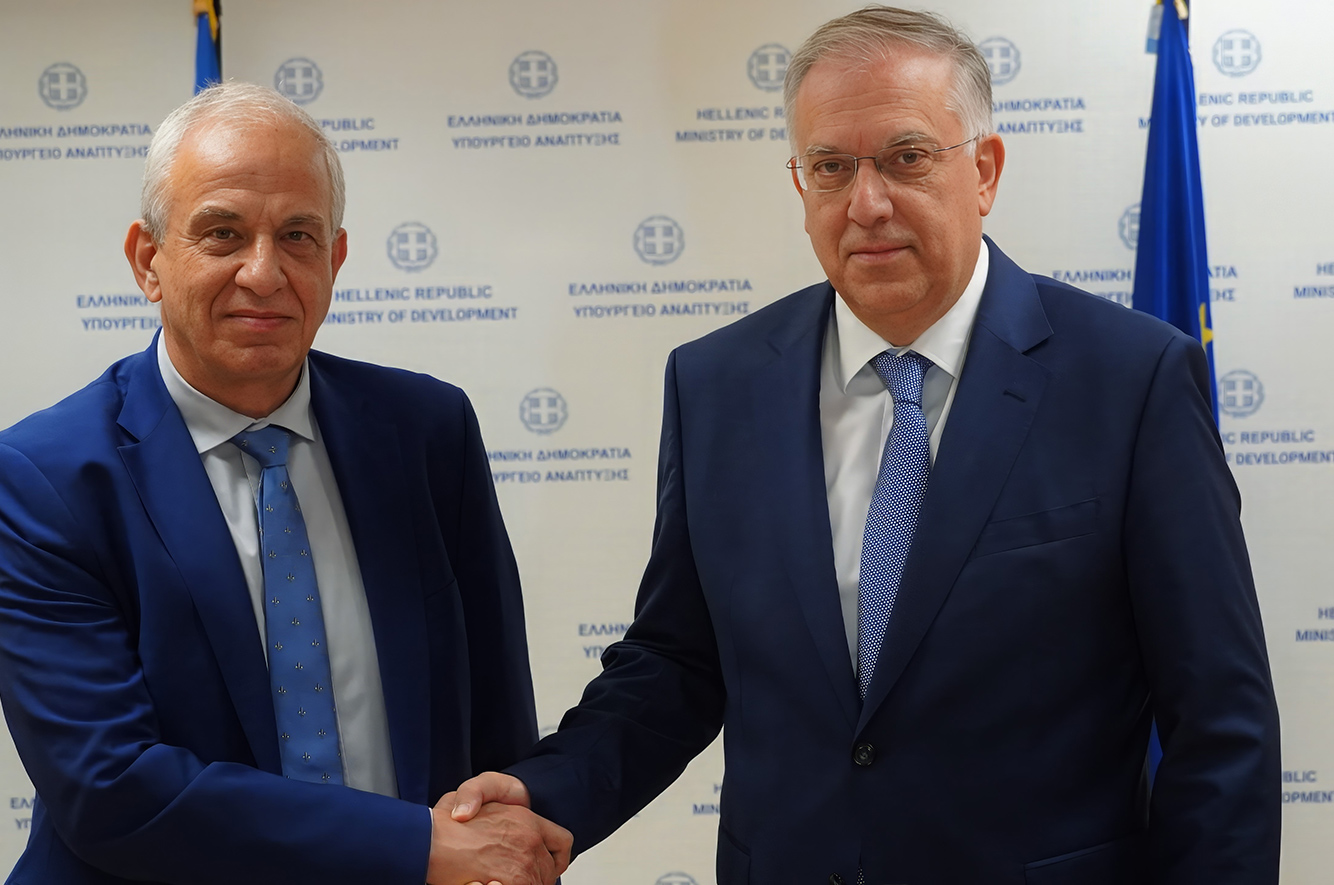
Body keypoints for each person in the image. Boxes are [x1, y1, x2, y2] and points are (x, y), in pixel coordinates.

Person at [450, 6, 1280, 883]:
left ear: (985, 170)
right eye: (831, 167)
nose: (867, 204)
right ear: (801, 183)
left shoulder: (1131, 380)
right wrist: (550, 792)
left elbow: (1219, 719)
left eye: (907, 157)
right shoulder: (718, 383)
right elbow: (679, 660)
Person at [0, 82, 569, 885]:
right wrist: (413, 846)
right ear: (148, 261)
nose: (263, 272)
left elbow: (494, 717)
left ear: (335, 260)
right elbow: (109, 786)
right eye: (222, 233)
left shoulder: (427, 431)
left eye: (297, 236)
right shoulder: (44, 478)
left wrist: (498, 844)